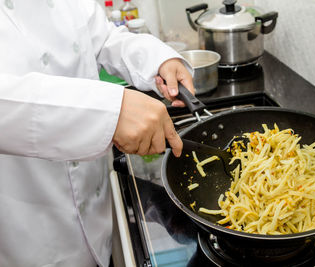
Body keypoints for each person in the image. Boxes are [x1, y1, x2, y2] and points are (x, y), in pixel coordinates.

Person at [0, 0, 195, 266]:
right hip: (29, 237)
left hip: (98, 213)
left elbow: (102, 39)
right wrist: (108, 111)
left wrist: (157, 58)